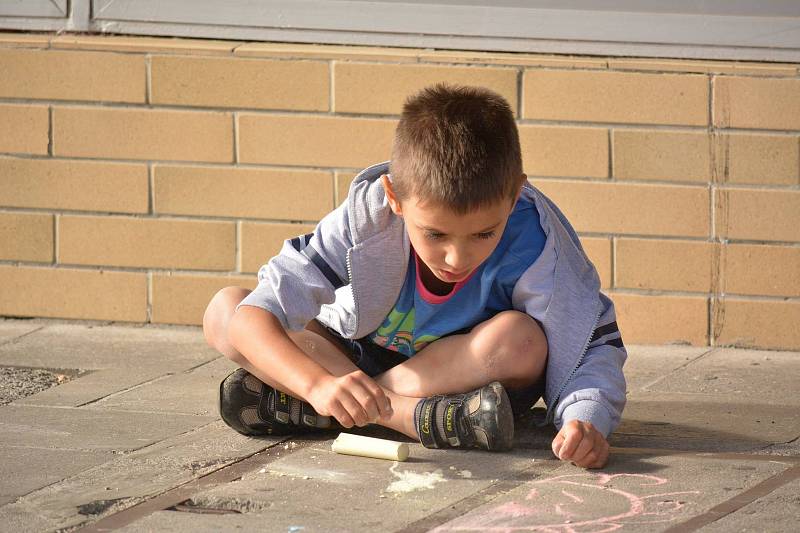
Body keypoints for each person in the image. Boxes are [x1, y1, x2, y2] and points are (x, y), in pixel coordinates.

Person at [203, 84, 626, 469]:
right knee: (225, 311)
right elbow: (256, 313)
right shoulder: (367, 218)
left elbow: (590, 342)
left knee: (522, 339)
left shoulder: (537, 240)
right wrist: (315, 385)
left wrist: (585, 419)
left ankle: (347, 412)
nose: (457, 257)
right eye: (435, 234)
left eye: (484, 233)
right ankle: (403, 416)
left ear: (514, 196)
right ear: (395, 197)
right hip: (355, 358)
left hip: (463, 375)